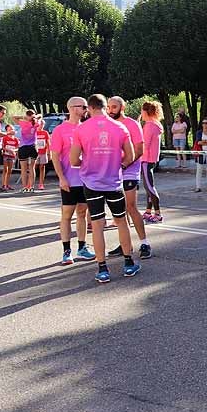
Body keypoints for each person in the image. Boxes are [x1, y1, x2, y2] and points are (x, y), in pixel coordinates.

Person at [69, 94, 140, 283]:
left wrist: (88, 162)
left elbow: (73, 160)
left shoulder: (81, 129)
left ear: (90, 108)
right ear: (104, 107)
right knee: (121, 222)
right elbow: (130, 155)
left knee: (98, 225)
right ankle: (128, 263)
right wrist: (119, 165)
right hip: (114, 183)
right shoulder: (120, 127)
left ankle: (102, 269)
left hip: (91, 184)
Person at [105, 97, 152, 260]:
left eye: (114, 107)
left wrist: (124, 164)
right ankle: (125, 244)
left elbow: (139, 149)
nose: (111, 110)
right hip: (112, 172)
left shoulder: (132, 124)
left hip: (129, 171)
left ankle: (145, 243)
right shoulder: (107, 124)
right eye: (109, 107)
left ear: (122, 107)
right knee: (119, 210)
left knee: (130, 207)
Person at [51, 97, 95, 265]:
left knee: (82, 214)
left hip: (85, 180)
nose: (85, 109)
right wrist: (61, 178)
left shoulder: (86, 128)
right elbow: (55, 156)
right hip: (69, 180)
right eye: (82, 106)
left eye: (86, 106)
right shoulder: (60, 130)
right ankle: (66, 251)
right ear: (71, 108)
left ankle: (82, 247)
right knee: (66, 216)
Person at [140, 101, 164, 222]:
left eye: (142, 111)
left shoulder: (149, 126)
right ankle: (148, 211)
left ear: (146, 111)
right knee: (147, 186)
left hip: (146, 159)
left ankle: (158, 213)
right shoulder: (156, 124)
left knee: (149, 186)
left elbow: (145, 145)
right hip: (151, 159)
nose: (141, 113)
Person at [1, 124, 19, 190]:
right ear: (7, 130)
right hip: (6, 155)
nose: (11, 130)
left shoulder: (16, 139)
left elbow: (17, 147)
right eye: (10, 129)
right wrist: (8, 150)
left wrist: (14, 150)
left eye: (12, 129)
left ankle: (7, 184)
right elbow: (2, 147)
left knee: (10, 171)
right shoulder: (5, 138)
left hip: (12, 156)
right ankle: (3, 185)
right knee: (5, 170)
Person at [34, 120, 50, 190]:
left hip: (43, 152)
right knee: (34, 167)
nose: (41, 126)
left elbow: (48, 143)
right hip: (35, 153)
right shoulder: (34, 132)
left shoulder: (45, 133)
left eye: (43, 124)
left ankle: (41, 184)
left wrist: (49, 153)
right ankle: (31, 183)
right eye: (40, 124)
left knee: (42, 167)